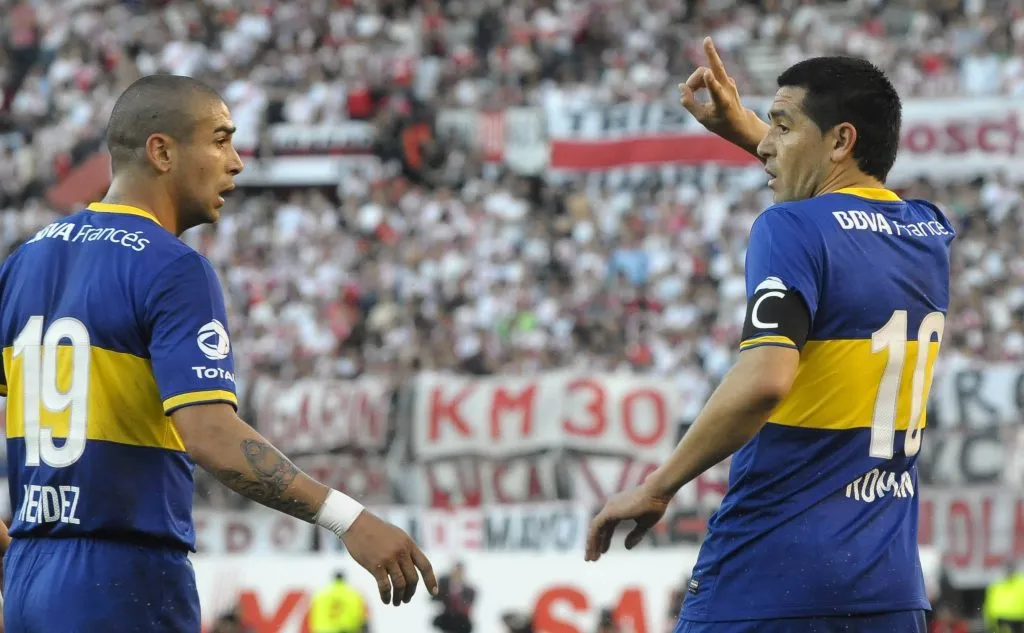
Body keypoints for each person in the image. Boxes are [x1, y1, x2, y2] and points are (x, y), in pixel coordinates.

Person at [0, 74, 436, 633]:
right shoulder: (171, 265)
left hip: (32, 574)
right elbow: (209, 436)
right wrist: (348, 518)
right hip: (124, 575)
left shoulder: (24, 261)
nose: (236, 161)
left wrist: (13, 553)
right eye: (220, 139)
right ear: (162, 151)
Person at [585, 38, 954, 633]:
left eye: (781, 127)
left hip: (771, 576)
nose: (764, 144)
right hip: (888, 591)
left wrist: (658, 486)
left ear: (840, 139)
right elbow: (859, 199)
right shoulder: (928, 231)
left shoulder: (787, 227)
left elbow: (764, 381)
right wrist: (757, 133)